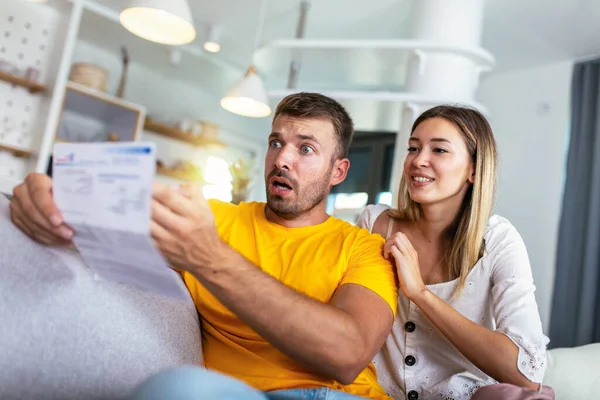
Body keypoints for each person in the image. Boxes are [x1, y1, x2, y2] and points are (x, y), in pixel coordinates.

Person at [8, 92, 398, 400]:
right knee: (176, 390)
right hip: (228, 393)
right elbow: (99, 210)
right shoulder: (210, 218)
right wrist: (41, 193)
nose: (282, 159)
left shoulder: (363, 249)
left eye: (305, 149)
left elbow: (347, 355)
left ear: (339, 171)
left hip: (337, 396)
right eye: (275, 142)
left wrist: (208, 258)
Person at [357, 105, 554, 400]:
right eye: (413, 148)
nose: (418, 160)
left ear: (474, 169)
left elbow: (526, 375)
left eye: (439, 150)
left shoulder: (498, 241)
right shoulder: (374, 223)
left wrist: (420, 294)